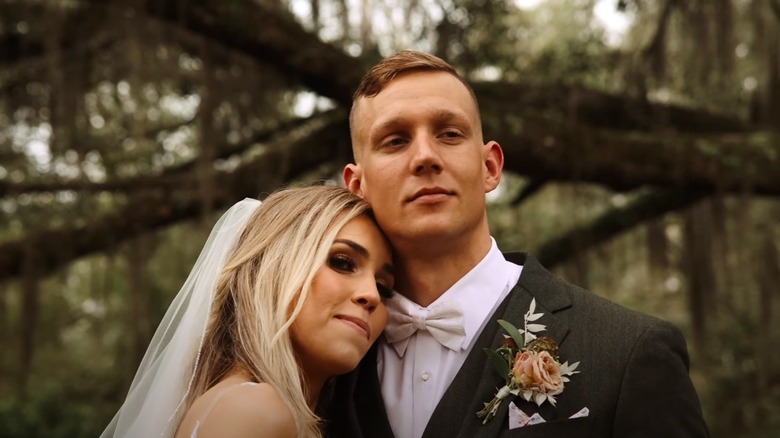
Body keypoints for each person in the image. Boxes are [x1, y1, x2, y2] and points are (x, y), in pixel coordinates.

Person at [324, 51, 709, 437]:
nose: (425, 156)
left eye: (449, 134)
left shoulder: (628, 352)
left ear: (490, 167)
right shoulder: (317, 365)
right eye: (395, 141)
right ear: (358, 186)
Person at [101, 185, 395, 438]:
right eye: (342, 262)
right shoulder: (256, 410)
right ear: (272, 271)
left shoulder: (251, 405)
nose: (371, 295)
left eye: (384, 287)